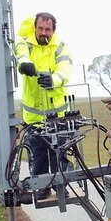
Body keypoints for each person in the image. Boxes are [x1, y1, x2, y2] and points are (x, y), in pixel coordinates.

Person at [15, 12, 73, 200]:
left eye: (47, 29)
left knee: (59, 152)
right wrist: (24, 65)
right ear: (35, 28)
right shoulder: (25, 43)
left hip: (57, 115)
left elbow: (65, 70)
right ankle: (42, 187)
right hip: (33, 117)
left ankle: (60, 185)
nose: (43, 33)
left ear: (53, 31)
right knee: (38, 154)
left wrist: (54, 80)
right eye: (40, 28)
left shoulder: (61, 47)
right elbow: (20, 55)